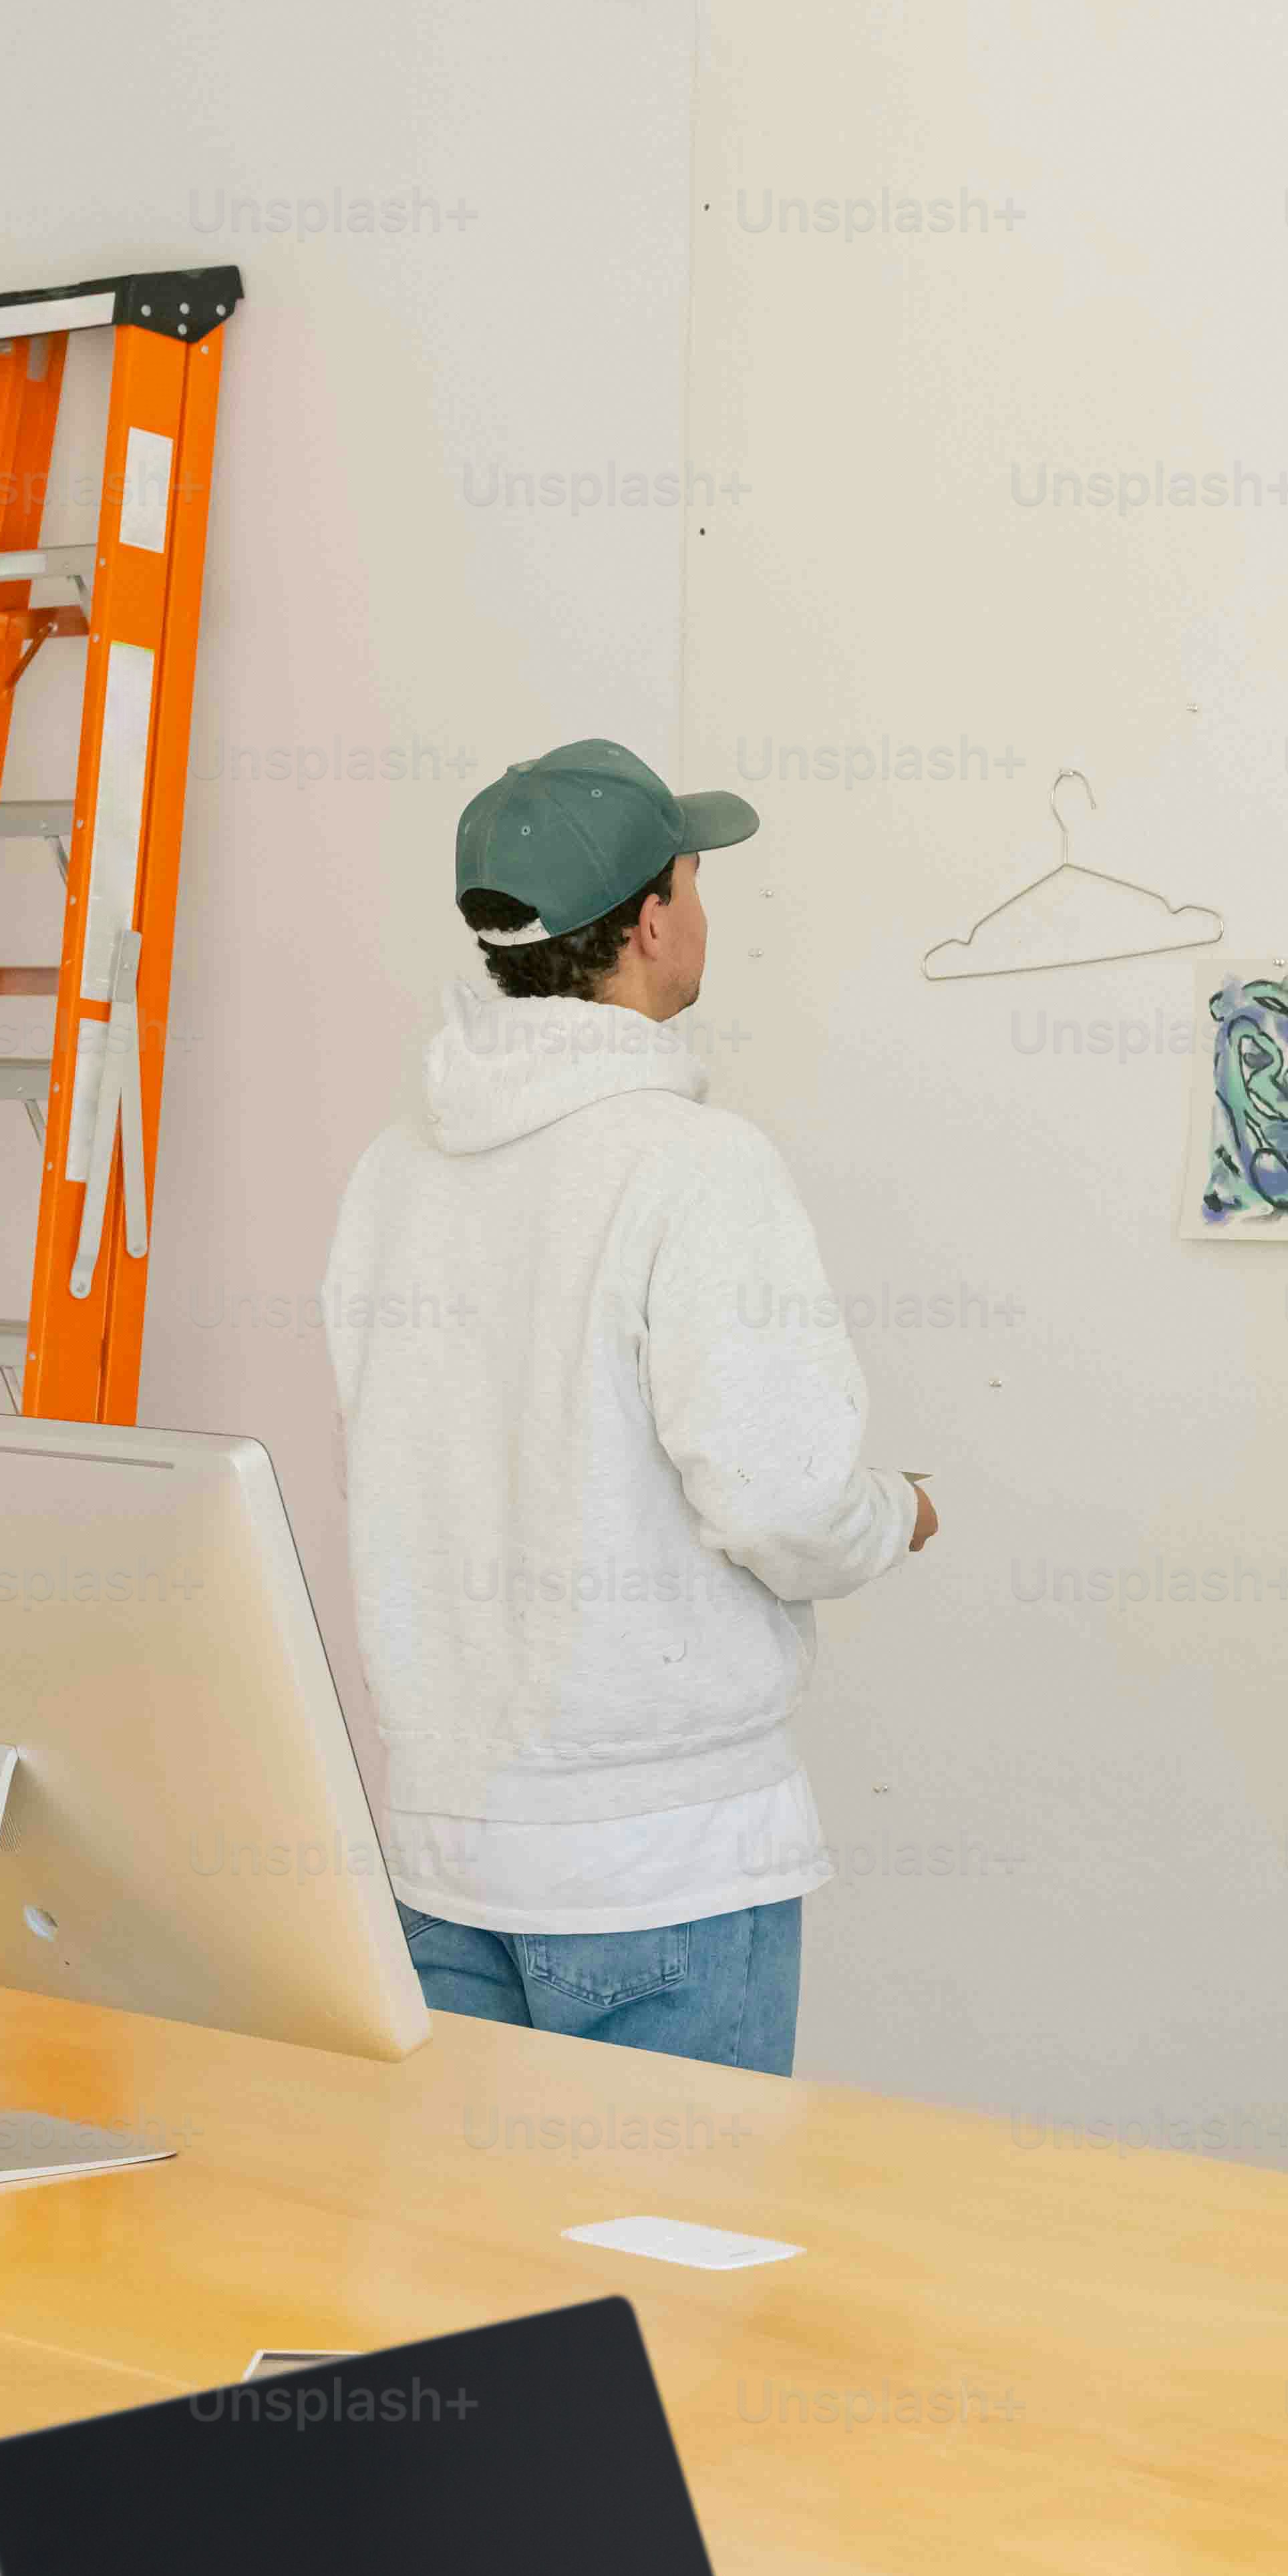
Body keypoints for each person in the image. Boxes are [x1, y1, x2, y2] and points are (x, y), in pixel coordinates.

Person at [324, 737, 935, 2074]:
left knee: (484, 2278)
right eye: (696, 881)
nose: (702, 912)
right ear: (653, 920)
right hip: (667, 1871)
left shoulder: (394, 1175)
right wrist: (896, 1515)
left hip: (444, 1851)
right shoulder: (696, 1168)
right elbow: (782, 1497)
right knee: (673, 2275)